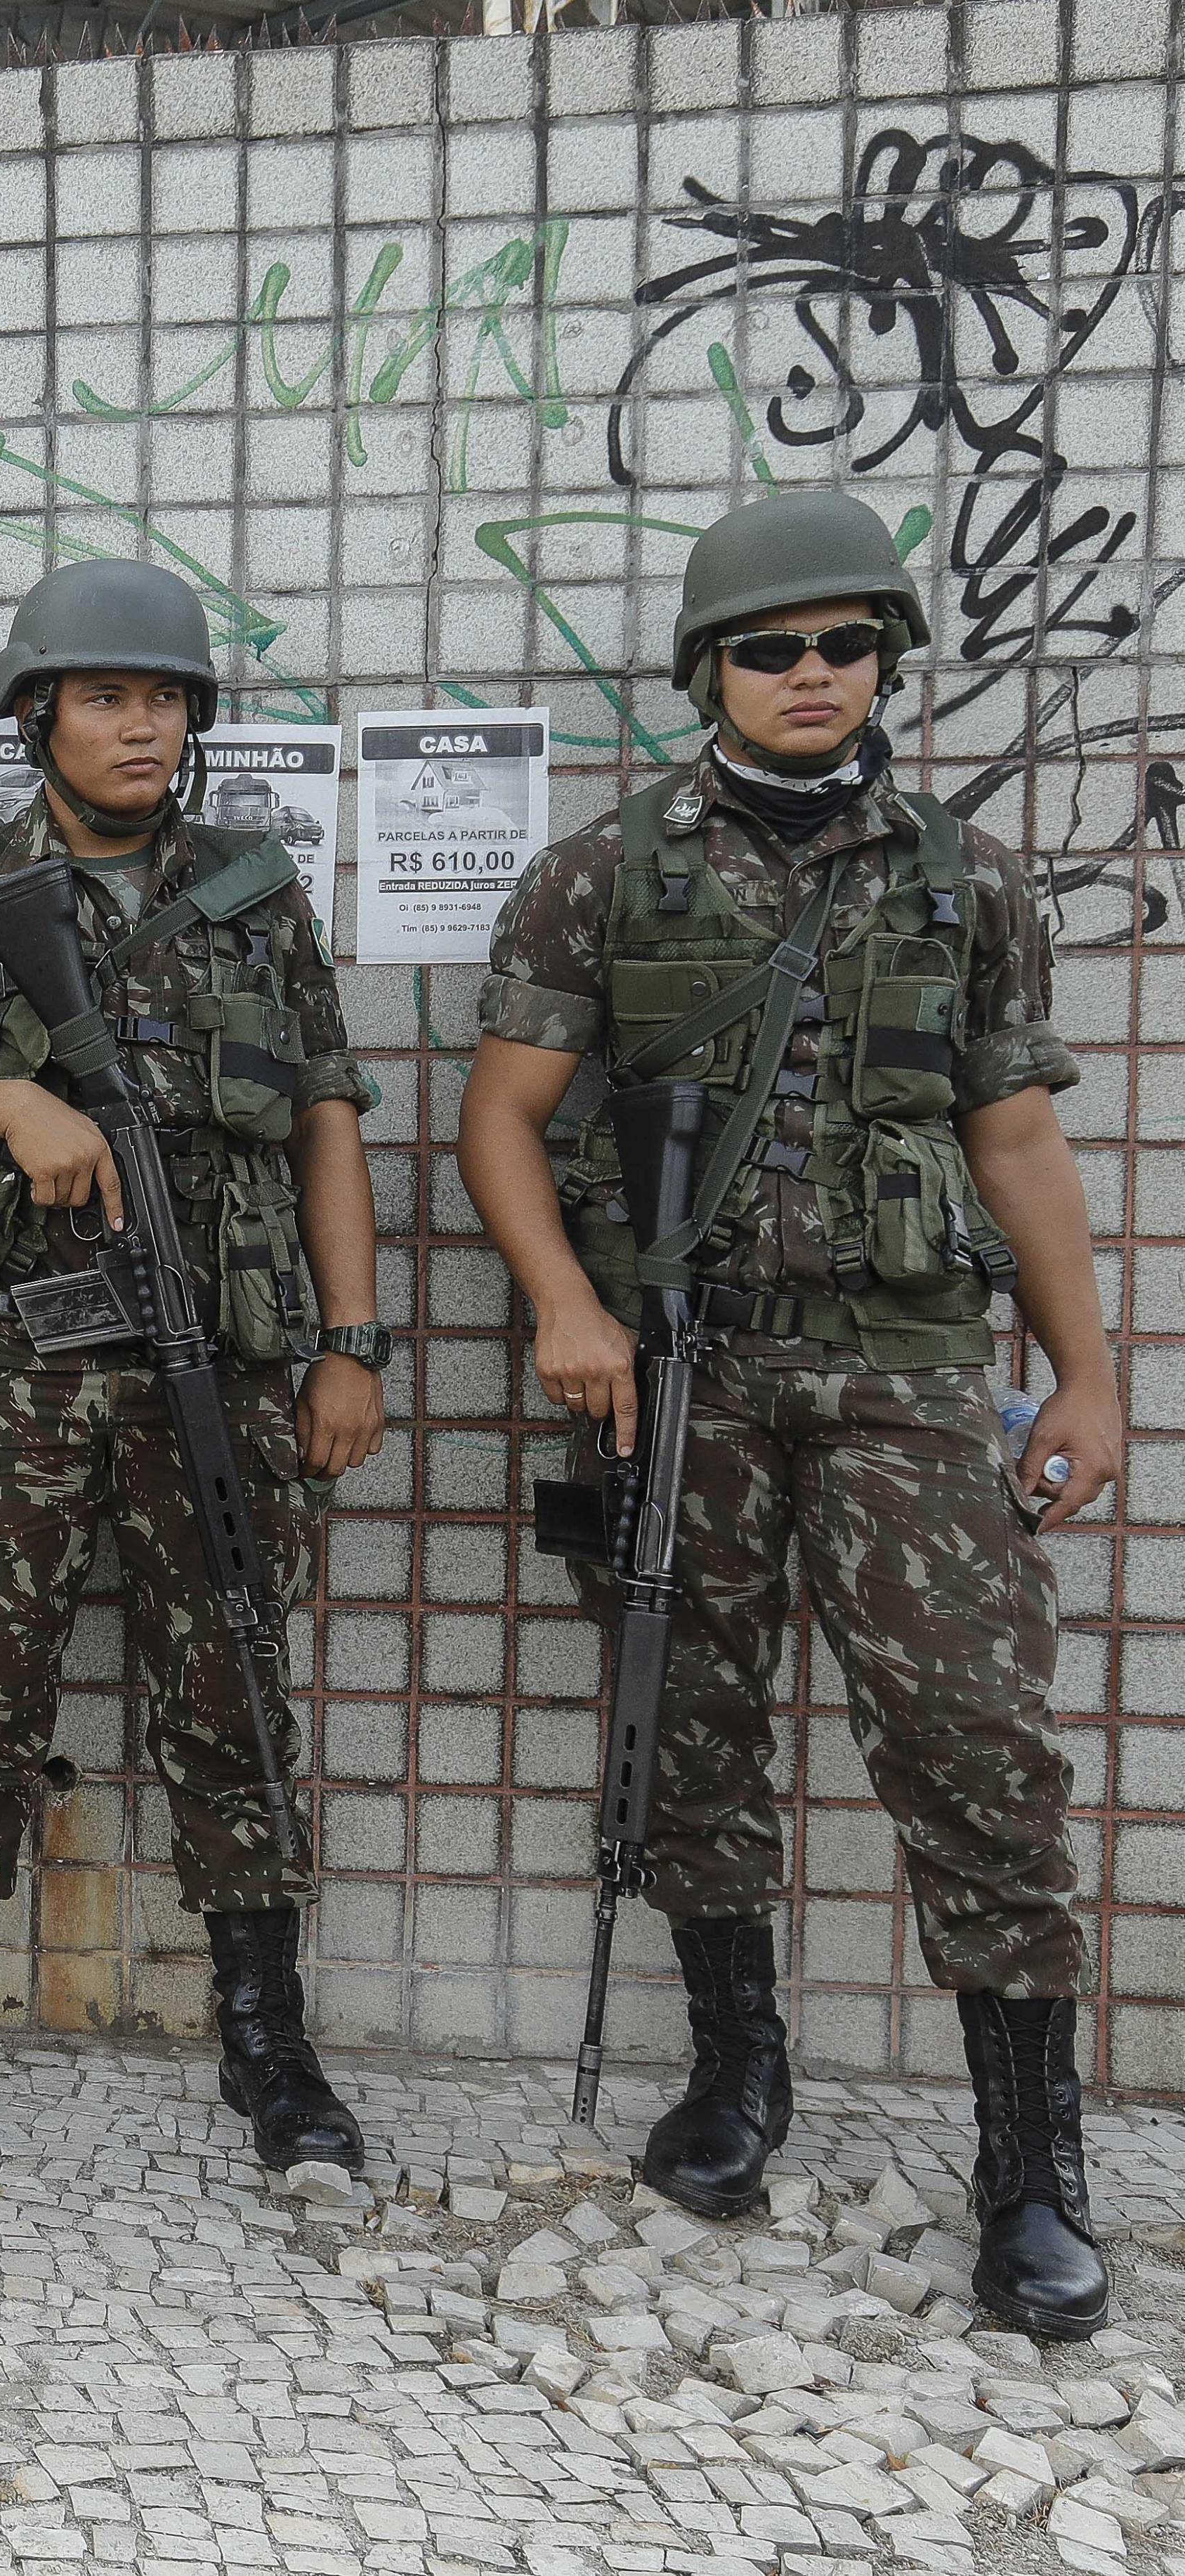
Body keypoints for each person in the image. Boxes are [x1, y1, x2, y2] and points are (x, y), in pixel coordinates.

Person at [457, 488, 1122, 2338]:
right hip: (690, 1367)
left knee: (976, 1742)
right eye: (770, 648)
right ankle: (735, 2076)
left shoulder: (965, 876)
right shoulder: (602, 875)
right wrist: (567, 1305)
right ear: (708, 672)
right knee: (688, 1730)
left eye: (842, 644)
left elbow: (1014, 1136)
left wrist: (1086, 1366)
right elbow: (500, 1115)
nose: (809, 674)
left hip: (907, 1368)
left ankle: (1028, 2164)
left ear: (885, 660)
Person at [0, 559, 389, 2171]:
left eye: (164, 700)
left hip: (219, 1359)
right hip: (21, 1367)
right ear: (35, 716)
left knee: (231, 1691)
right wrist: (3, 1104)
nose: (141, 726)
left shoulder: (248, 895)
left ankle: (266, 2040)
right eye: (106, 697)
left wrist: (349, 1345)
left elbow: (328, 1123)